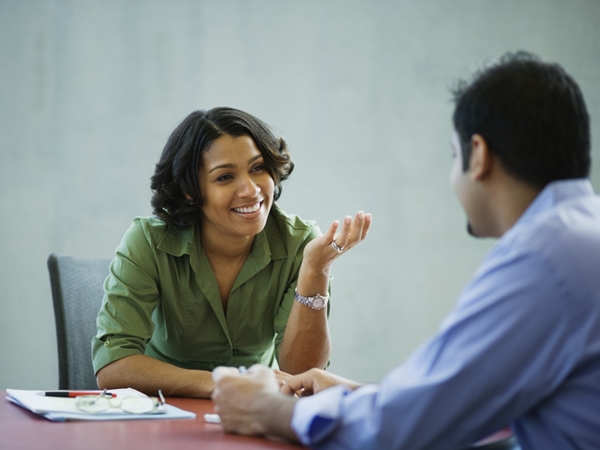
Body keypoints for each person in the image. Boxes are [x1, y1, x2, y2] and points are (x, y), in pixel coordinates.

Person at [211, 52, 600, 449]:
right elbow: (461, 400)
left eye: (454, 155)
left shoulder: (545, 259)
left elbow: (413, 427)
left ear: (478, 154)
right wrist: (358, 397)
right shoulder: (579, 238)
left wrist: (267, 410)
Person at [92, 107, 372, 398]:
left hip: (257, 419)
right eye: (225, 177)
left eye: (257, 168)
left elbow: (301, 375)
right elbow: (113, 366)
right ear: (190, 190)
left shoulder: (300, 244)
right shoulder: (148, 240)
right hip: (164, 412)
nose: (251, 190)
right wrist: (226, 382)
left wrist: (316, 269)